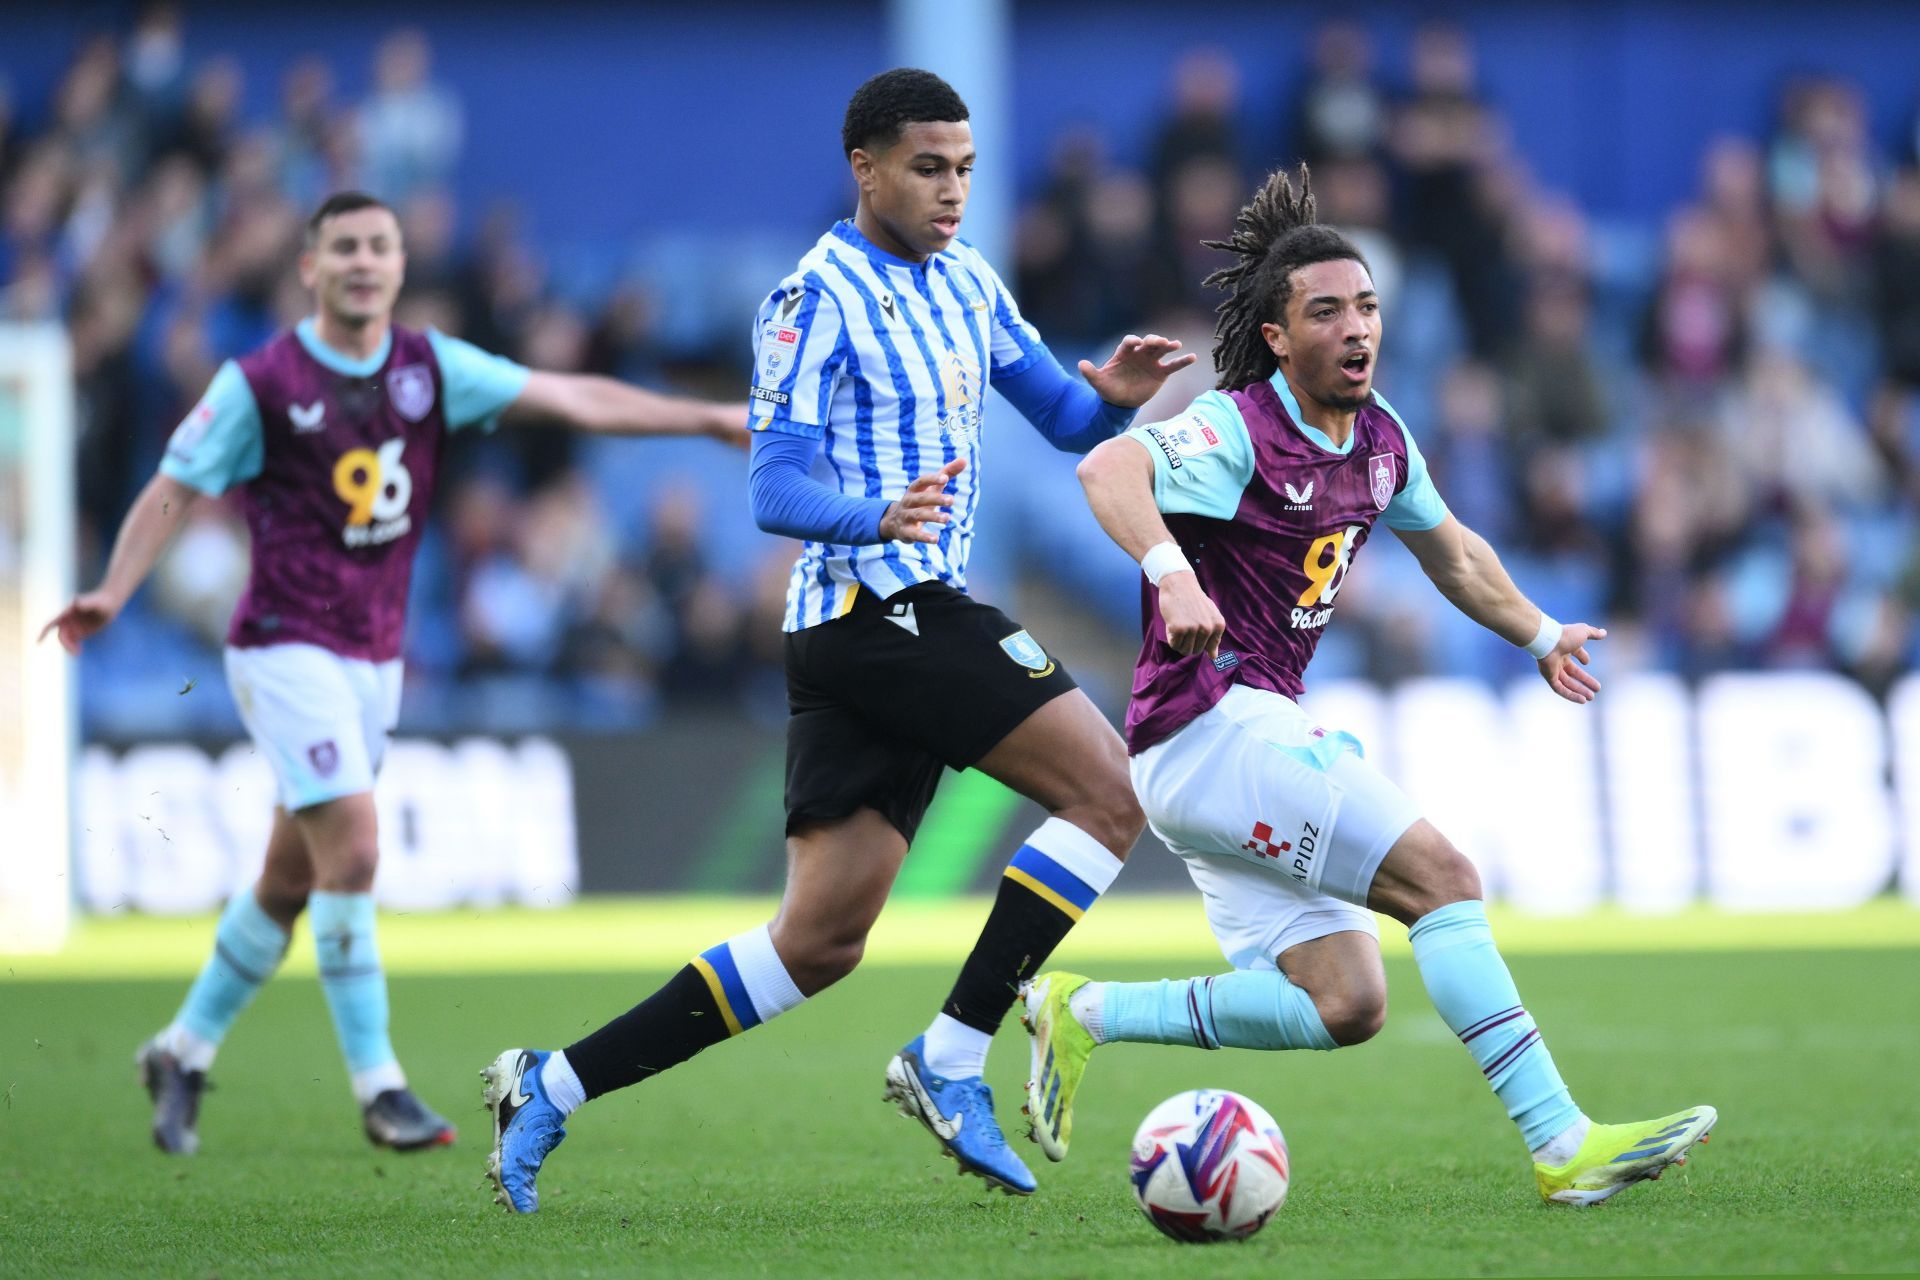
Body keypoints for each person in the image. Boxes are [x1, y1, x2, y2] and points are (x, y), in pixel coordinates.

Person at [481, 68, 1194, 1210]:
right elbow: (773, 484)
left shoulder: (968, 282)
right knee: (1108, 791)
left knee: (816, 942)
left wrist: (1115, 395)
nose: (952, 190)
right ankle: (952, 1057)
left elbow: (1065, 419)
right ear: (865, 169)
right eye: (927, 167)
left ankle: (550, 1082)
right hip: (878, 608)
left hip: (877, 627)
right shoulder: (813, 299)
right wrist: (873, 514)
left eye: (963, 168)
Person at [1019, 166, 1716, 1206]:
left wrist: (1537, 631)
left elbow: (1455, 553)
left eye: (1368, 306)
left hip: (1226, 747)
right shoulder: (1234, 427)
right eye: (1327, 311)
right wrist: (1171, 571)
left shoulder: (1382, 435)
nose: (1358, 328)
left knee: (1347, 1001)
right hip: (1214, 724)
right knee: (1445, 878)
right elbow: (1105, 472)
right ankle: (1562, 1141)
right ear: (1277, 338)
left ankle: (1086, 1012)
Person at [43, 191, 747, 1156]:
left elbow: (570, 394)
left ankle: (182, 1048)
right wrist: (113, 592)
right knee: (360, 850)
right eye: (345, 248)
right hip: (284, 646)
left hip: (374, 661)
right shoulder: (261, 382)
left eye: (380, 246)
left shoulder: (429, 368)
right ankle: (381, 1086)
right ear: (310, 267)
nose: (364, 262)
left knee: (290, 880)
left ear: (401, 265)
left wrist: (704, 419)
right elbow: (174, 485)